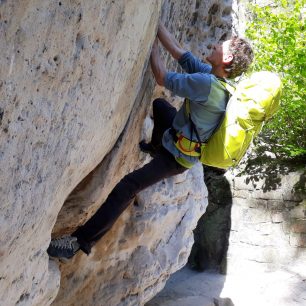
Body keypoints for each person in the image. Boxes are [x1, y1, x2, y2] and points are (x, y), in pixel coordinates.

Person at [47, 22, 253, 259]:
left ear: (226, 59)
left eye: (220, 46)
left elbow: (161, 76)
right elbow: (179, 52)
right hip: (179, 140)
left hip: (176, 157)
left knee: (128, 186)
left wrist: (151, 45)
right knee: (161, 106)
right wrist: (156, 24)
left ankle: (79, 242)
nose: (215, 45)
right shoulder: (216, 81)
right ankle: (155, 146)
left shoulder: (206, 84)